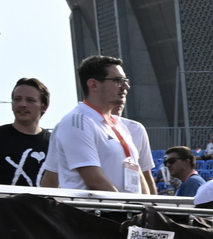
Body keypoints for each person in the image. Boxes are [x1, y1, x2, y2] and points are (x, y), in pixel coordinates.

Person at [44, 55, 153, 194]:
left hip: (125, 212)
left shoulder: (119, 125)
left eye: (125, 80)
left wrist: (148, 209)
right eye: (118, 80)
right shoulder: (76, 121)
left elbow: (138, 175)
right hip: (98, 213)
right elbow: (94, 182)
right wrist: (126, 209)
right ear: (93, 84)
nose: (126, 86)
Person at [1, 78, 51, 187]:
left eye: (30, 100)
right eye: (17, 99)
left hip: (41, 204)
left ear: (44, 107)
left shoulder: (54, 143)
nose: (22, 104)